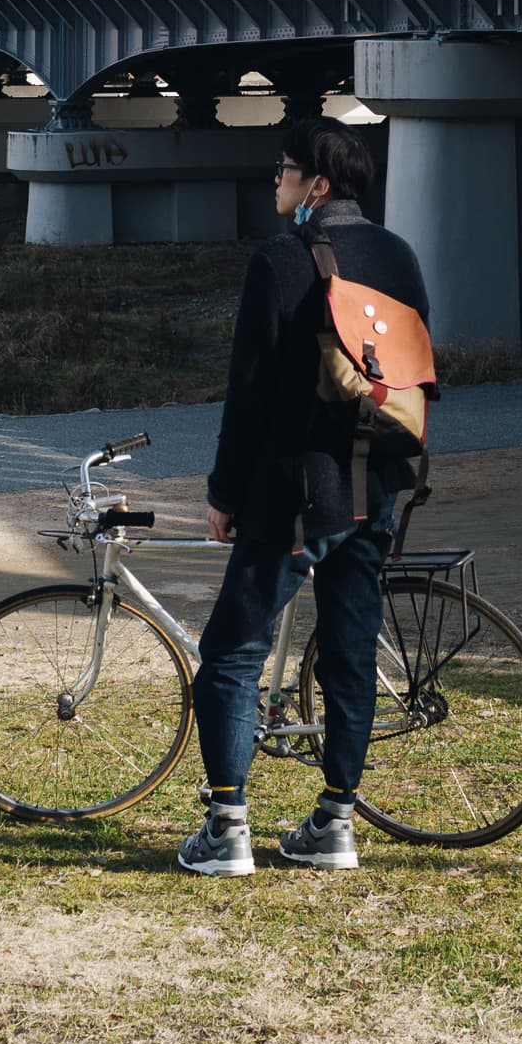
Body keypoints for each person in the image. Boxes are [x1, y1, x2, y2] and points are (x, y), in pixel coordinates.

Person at [178, 115, 430, 877]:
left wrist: (224, 490)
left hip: (296, 490)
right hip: (376, 484)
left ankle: (226, 828)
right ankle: (336, 825)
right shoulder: (399, 255)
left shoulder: (280, 260)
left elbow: (247, 393)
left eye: (284, 167)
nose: (276, 179)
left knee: (230, 651)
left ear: (317, 184)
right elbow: (411, 369)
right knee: (349, 655)